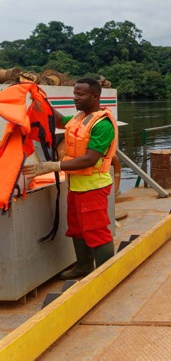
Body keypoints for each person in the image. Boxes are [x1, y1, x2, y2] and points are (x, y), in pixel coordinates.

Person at [24, 77, 118, 278]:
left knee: (97, 232)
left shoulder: (102, 125)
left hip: (93, 187)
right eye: (74, 93)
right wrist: (40, 99)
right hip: (76, 186)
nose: (75, 98)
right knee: (76, 229)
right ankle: (84, 267)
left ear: (95, 96)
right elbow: (57, 120)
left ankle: (108, 276)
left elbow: (90, 160)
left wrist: (53, 166)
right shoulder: (78, 118)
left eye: (80, 94)